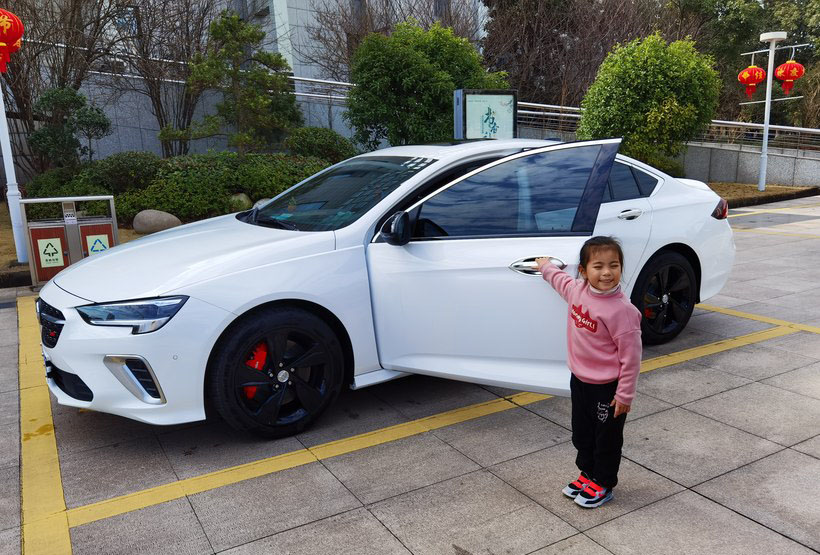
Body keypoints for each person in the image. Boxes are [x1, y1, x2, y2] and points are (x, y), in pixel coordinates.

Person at [535, 236, 642, 509]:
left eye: (614, 265)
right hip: (580, 380)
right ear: (583, 271)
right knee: (582, 433)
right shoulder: (578, 291)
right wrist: (545, 266)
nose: (607, 272)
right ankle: (588, 473)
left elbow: (631, 358)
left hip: (608, 388)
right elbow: (560, 281)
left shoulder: (623, 311)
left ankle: (603, 483)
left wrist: (625, 395)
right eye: (598, 266)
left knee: (606, 438)